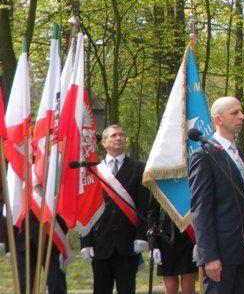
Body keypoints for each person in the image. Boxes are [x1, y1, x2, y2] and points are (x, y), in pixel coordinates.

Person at [189, 96, 244, 294]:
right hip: (220, 254)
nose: (242, 116)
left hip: (243, 252)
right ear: (218, 120)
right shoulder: (204, 156)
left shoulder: (239, 154)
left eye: (241, 111)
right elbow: (201, 209)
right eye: (234, 113)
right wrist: (209, 256)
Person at [80, 123, 150, 294]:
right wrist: (85, 241)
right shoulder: (93, 169)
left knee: (127, 289)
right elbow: (87, 207)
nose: (119, 138)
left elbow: (143, 205)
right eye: (113, 135)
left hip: (127, 243)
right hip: (100, 242)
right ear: (103, 142)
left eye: (121, 135)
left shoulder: (139, 168)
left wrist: (141, 236)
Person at [13, 211, 68, 294]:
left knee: (56, 282)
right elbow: (10, 205)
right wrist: (7, 243)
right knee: (24, 284)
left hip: (51, 235)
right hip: (22, 236)